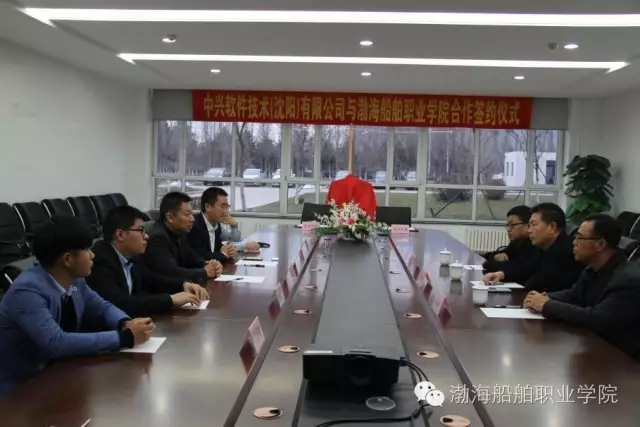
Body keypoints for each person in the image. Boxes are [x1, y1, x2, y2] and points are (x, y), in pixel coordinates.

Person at [0, 216, 155, 396]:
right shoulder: (27, 292)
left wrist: (125, 323)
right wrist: (124, 338)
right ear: (67, 259)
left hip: (59, 375)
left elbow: (101, 306)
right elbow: (56, 342)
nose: (93, 255)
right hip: (20, 390)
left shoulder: (74, 281)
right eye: (87, 250)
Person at [524, 214, 640, 361]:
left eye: (579, 237)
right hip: (596, 347)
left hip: (623, 360)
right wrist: (543, 298)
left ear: (600, 245)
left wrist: (547, 305)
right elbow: (574, 295)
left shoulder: (628, 279)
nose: (574, 242)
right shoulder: (593, 268)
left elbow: (598, 319)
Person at [87, 205, 210, 319]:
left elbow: (150, 279)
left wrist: (183, 285)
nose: (146, 236)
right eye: (141, 230)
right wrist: (170, 300)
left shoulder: (131, 256)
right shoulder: (100, 260)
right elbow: (120, 303)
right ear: (120, 234)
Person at [483, 203, 584, 292]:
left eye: (533, 225)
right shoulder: (543, 248)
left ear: (552, 227)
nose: (529, 230)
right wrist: (502, 274)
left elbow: (535, 284)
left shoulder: (564, 252)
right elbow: (525, 269)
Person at [144, 192, 222, 283]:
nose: (192, 219)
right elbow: (172, 272)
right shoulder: (157, 238)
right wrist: (205, 272)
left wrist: (210, 265)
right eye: (187, 214)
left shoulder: (179, 233)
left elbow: (192, 259)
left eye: (192, 214)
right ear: (170, 217)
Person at [187, 187, 253, 260]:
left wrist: (229, 250)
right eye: (222, 206)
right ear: (207, 207)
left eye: (227, 206)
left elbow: (216, 250)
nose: (226, 211)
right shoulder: (194, 226)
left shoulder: (216, 225)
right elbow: (200, 256)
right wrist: (224, 254)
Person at [483, 205, 538, 273]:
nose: (508, 229)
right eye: (508, 225)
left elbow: (514, 268)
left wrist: (489, 264)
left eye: (512, 225)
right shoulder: (517, 242)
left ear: (528, 225)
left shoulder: (534, 245)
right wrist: (495, 256)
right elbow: (487, 256)